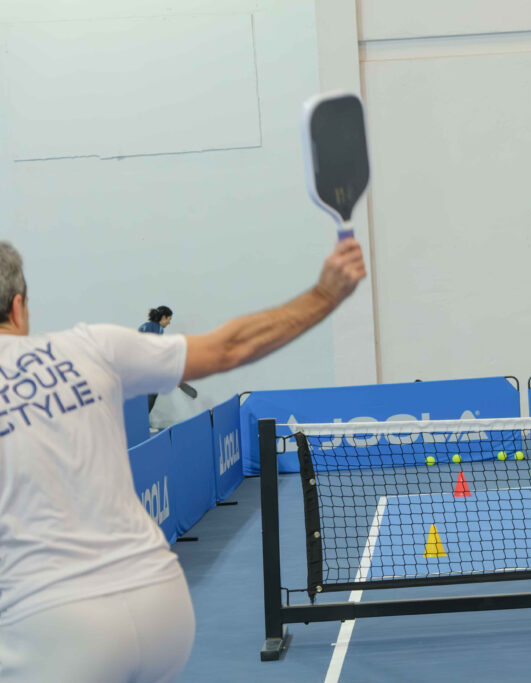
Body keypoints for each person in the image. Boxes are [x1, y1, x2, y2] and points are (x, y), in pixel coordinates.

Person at [0, 238, 365, 682]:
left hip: (53, 626)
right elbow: (230, 346)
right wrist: (325, 295)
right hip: (159, 602)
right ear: (18, 308)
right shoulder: (90, 345)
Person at [139, 306, 173, 412]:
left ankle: (140, 423)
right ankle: (143, 423)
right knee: (152, 394)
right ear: (163, 317)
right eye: (169, 319)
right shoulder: (158, 329)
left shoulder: (145, 326)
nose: (169, 322)